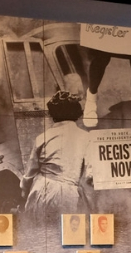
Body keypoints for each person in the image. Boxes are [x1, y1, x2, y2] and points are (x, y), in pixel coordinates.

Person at [21, 91, 91, 225]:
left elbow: (30, 172)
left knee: (42, 236)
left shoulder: (42, 137)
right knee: (66, 236)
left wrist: (24, 192)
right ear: (76, 113)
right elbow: (89, 175)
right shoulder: (86, 138)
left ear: (53, 114)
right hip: (67, 195)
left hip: (40, 191)